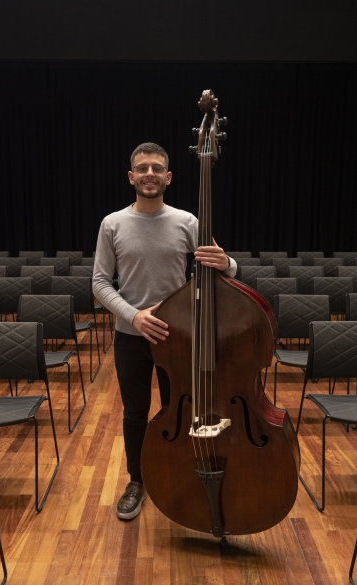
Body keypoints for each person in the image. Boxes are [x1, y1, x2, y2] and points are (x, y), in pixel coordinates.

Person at [93, 142, 237, 520]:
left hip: (179, 338)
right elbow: (99, 283)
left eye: (157, 168)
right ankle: (137, 482)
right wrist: (134, 316)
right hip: (130, 338)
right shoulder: (113, 224)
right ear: (131, 177)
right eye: (142, 168)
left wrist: (229, 263)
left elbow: (221, 270)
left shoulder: (188, 222)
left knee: (183, 411)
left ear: (168, 177)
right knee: (135, 413)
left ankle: (185, 476)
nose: (149, 174)